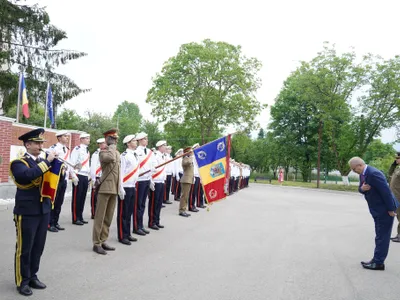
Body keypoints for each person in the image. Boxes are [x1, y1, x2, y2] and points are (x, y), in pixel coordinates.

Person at [9, 128, 56, 296]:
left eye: (41, 142)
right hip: (27, 211)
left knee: (38, 247)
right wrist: (48, 162)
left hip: (43, 209)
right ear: (28, 144)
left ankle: (33, 275)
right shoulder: (19, 163)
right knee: (25, 248)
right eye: (37, 143)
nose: (40, 145)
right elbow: (27, 176)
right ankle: (22, 280)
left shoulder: (43, 161)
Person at [349, 157, 399, 270]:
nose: (353, 171)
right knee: (379, 236)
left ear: (359, 165)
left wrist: (391, 209)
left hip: (385, 210)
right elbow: (360, 188)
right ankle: (376, 259)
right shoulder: (363, 174)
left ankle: (378, 263)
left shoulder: (374, 173)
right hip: (377, 210)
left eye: (353, 169)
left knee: (382, 237)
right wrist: (362, 189)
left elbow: (386, 192)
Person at [92, 129, 124, 255]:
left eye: (116, 139)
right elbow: (110, 158)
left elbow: (118, 170)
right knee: (100, 217)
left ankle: (103, 240)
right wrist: (110, 146)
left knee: (108, 217)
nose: (115, 142)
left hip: (114, 188)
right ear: (107, 140)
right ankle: (96, 243)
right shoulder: (103, 153)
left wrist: (120, 186)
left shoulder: (116, 152)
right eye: (113, 139)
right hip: (105, 187)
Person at [48, 130, 78, 232]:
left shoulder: (67, 149)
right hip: (56, 178)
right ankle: (50, 223)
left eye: (67, 136)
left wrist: (72, 175)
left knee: (59, 202)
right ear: (59, 137)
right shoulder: (53, 148)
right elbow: (49, 161)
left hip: (64, 178)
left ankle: (56, 222)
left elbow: (69, 165)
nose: (67, 138)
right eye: (65, 136)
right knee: (54, 201)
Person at [118, 134, 139, 245]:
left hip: (132, 186)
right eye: (134, 141)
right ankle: (122, 235)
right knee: (123, 212)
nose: (136, 142)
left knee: (129, 211)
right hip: (125, 186)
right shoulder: (124, 155)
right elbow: (121, 172)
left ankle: (128, 233)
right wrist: (120, 187)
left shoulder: (135, 155)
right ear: (128, 143)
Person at [133, 132, 154, 236]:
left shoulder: (150, 152)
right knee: (138, 204)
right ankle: (136, 227)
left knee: (142, 204)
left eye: (147, 138)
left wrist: (151, 179)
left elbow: (152, 165)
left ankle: (141, 225)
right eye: (145, 139)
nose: (147, 140)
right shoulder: (136, 151)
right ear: (140, 140)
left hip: (146, 179)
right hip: (139, 180)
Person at [69, 133, 91, 225]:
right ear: (81, 139)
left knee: (82, 197)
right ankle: (75, 218)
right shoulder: (77, 149)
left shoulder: (87, 150)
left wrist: (89, 176)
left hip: (85, 176)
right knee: (77, 198)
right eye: (87, 138)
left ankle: (80, 216)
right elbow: (72, 163)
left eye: (89, 138)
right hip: (79, 175)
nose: (89, 140)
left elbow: (87, 165)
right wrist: (73, 175)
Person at [148, 140, 167, 229]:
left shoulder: (163, 156)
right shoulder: (155, 155)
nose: (166, 147)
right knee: (154, 203)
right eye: (164, 146)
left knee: (159, 203)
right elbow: (153, 169)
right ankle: (152, 222)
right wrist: (151, 180)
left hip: (161, 181)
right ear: (159, 147)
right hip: (156, 181)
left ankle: (157, 220)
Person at [89, 138, 106, 219]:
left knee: (102, 196)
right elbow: (93, 167)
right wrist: (93, 179)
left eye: (104, 143)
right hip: (97, 176)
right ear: (99, 145)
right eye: (102, 143)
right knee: (95, 196)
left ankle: (100, 212)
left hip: (104, 176)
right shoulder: (96, 154)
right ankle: (94, 212)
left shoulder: (106, 153)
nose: (104, 145)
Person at [388, 153, 400, 242]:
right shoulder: (397, 169)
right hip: (394, 197)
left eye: (398, 158)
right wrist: (393, 165)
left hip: (399, 197)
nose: (396, 160)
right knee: (398, 216)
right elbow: (390, 174)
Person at [179, 147, 194, 217]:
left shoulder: (189, 159)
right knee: (184, 196)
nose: (192, 152)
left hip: (189, 180)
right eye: (190, 152)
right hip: (185, 180)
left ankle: (184, 209)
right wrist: (190, 157)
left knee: (186, 196)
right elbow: (187, 163)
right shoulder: (185, 159)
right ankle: (182, 210)